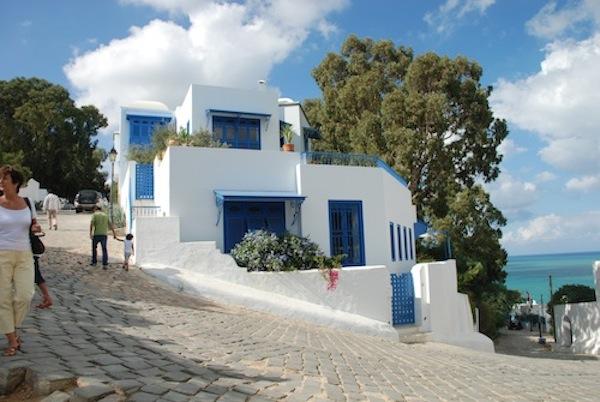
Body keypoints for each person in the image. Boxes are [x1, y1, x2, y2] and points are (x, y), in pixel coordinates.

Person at [0, 165, 41, 356]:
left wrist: (35, 228)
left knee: (25, 295)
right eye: (1, 179)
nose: (1, 182)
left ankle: (13, 329)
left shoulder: (28, 203)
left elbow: (34, 224)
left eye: (5, 179)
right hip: (2, 255)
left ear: (15, 183)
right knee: (2, 298)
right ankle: (12, 339)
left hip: (24, 254)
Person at [89, 205, 116, 269]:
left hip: (96, 234)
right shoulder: (105, 215)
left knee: (94, 248)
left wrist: (90, 233)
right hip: (104, 235)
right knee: (104, 249)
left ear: (95, 209)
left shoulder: (94, 215)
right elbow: (110, 225)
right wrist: (114, 234)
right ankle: (105, 264)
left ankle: (94, 262)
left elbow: (91, 224)